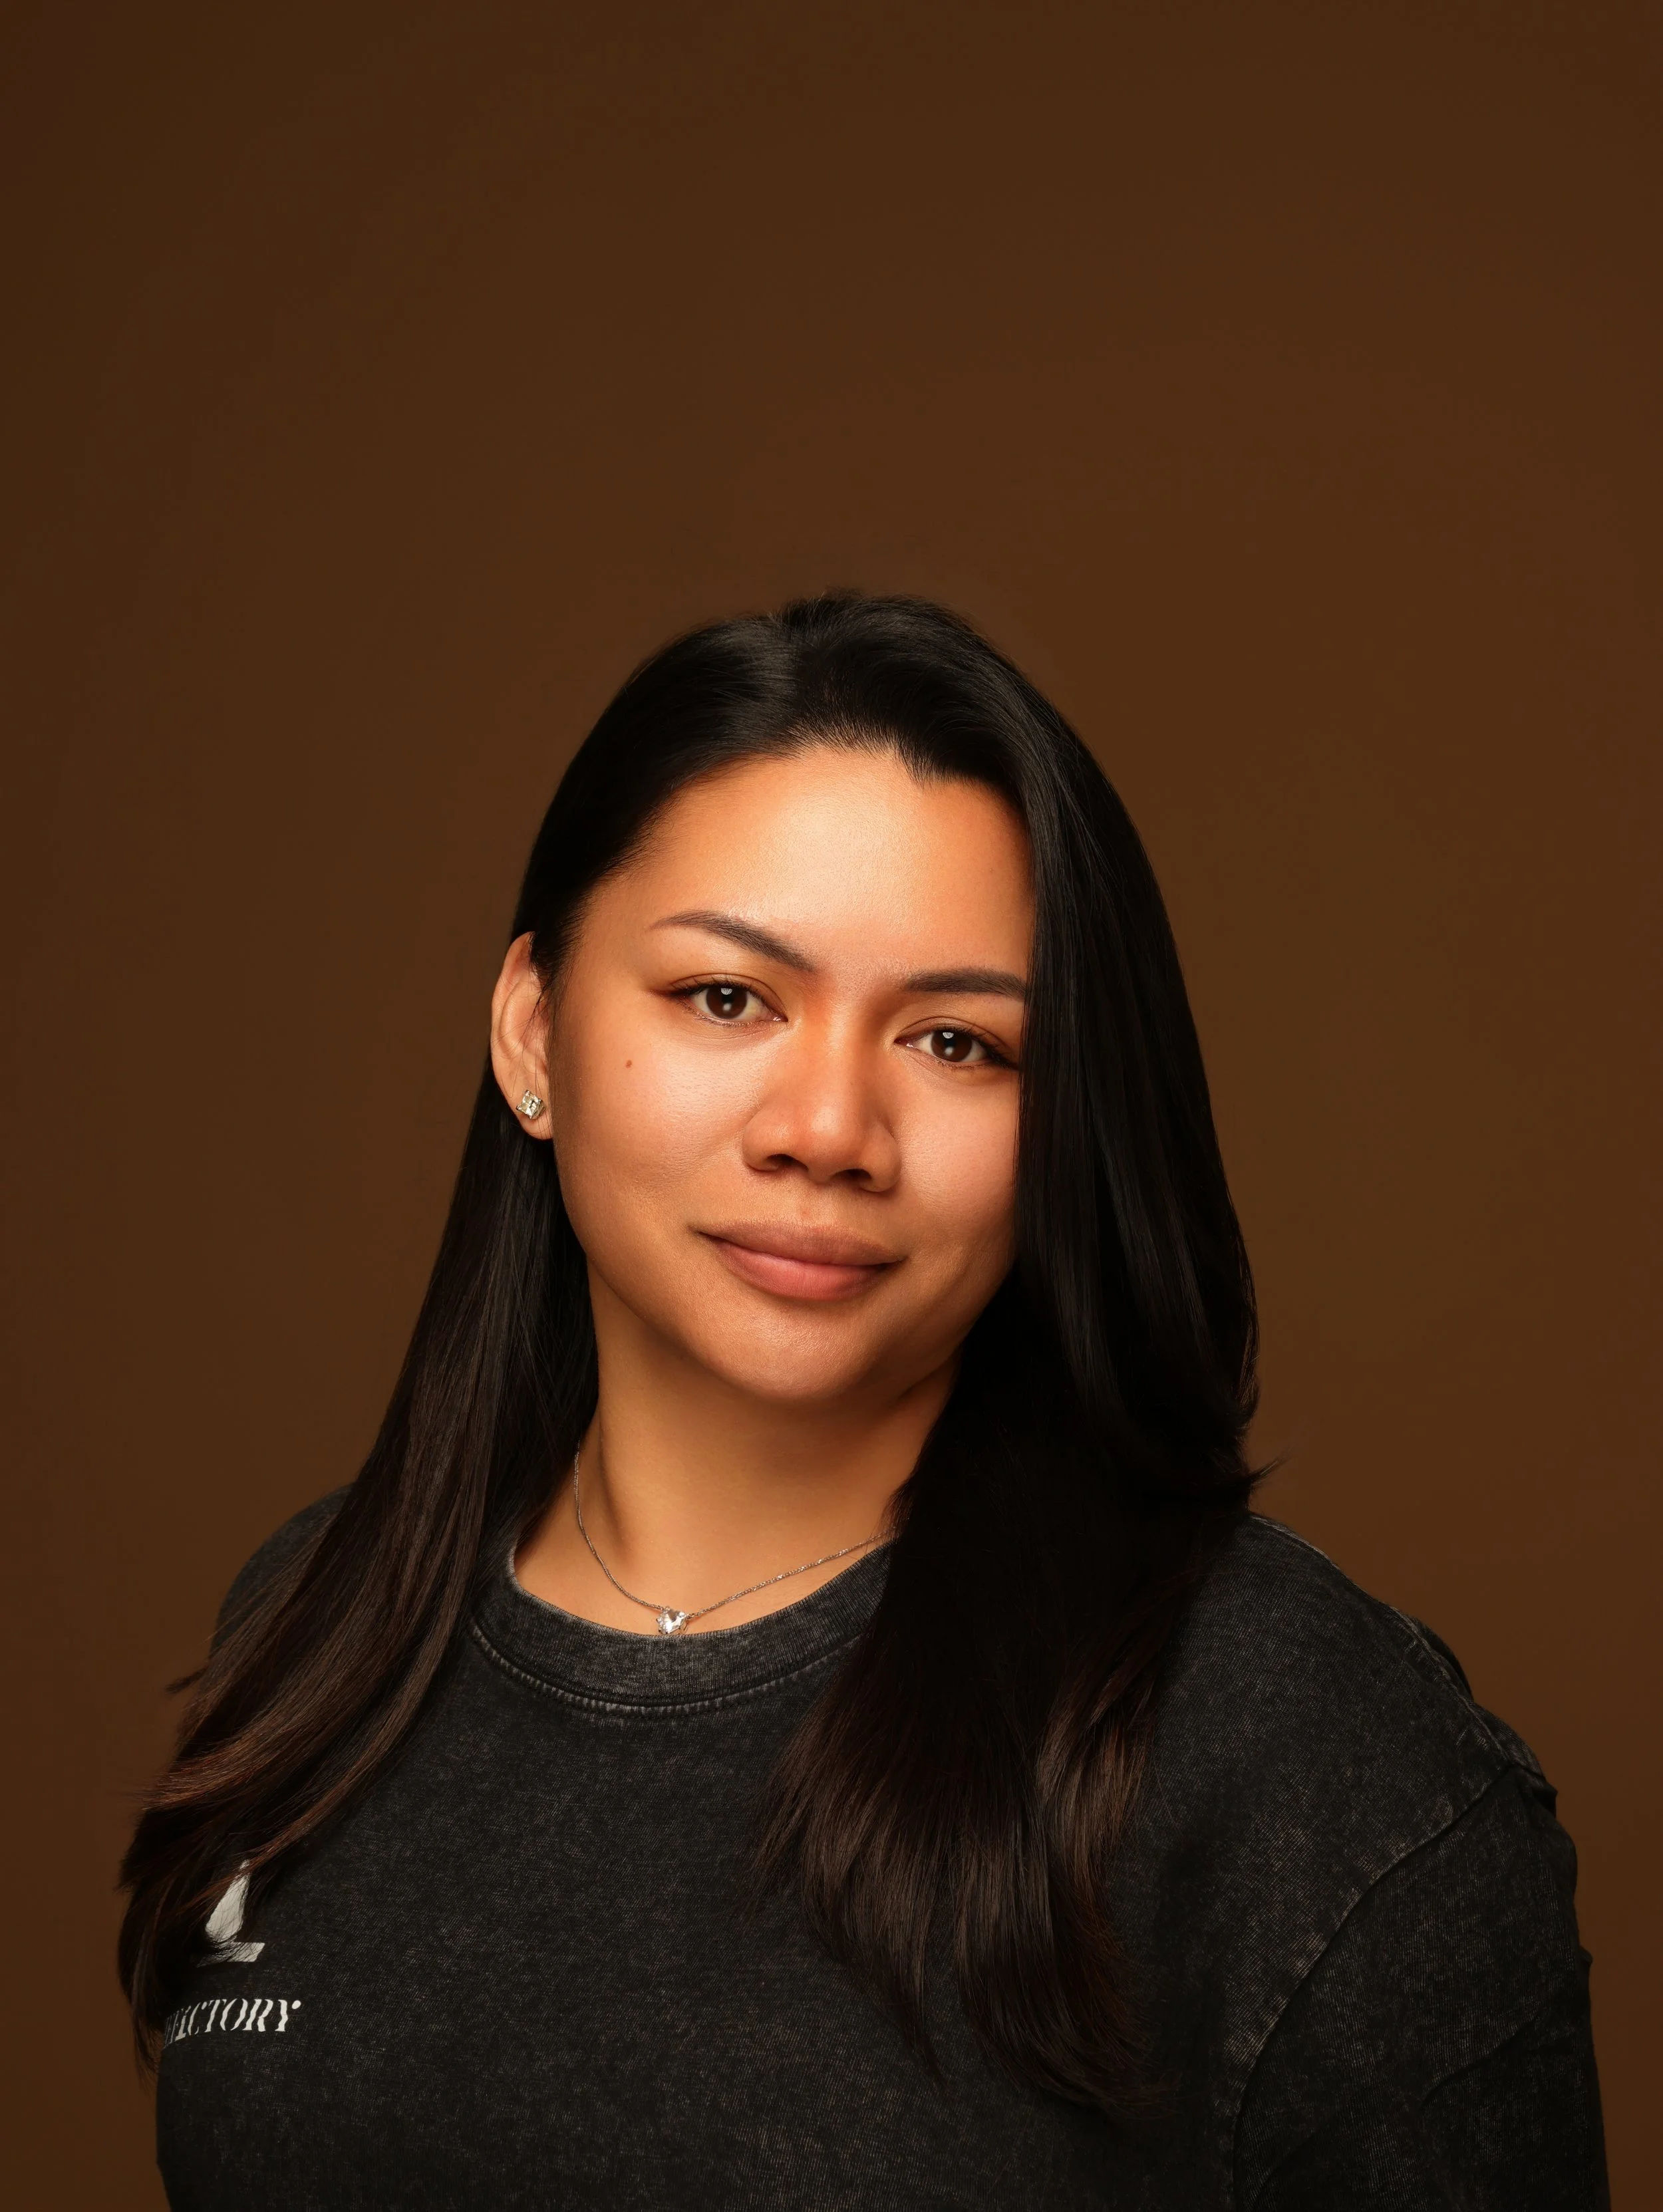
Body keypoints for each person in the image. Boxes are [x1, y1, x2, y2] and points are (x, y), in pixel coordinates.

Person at [121, 594, 1606, 2210]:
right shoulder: (322, 1632)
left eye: (958, 1041)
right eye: (724, 998)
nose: (828, 1124)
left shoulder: (1292, 1749)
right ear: (531, 1029)